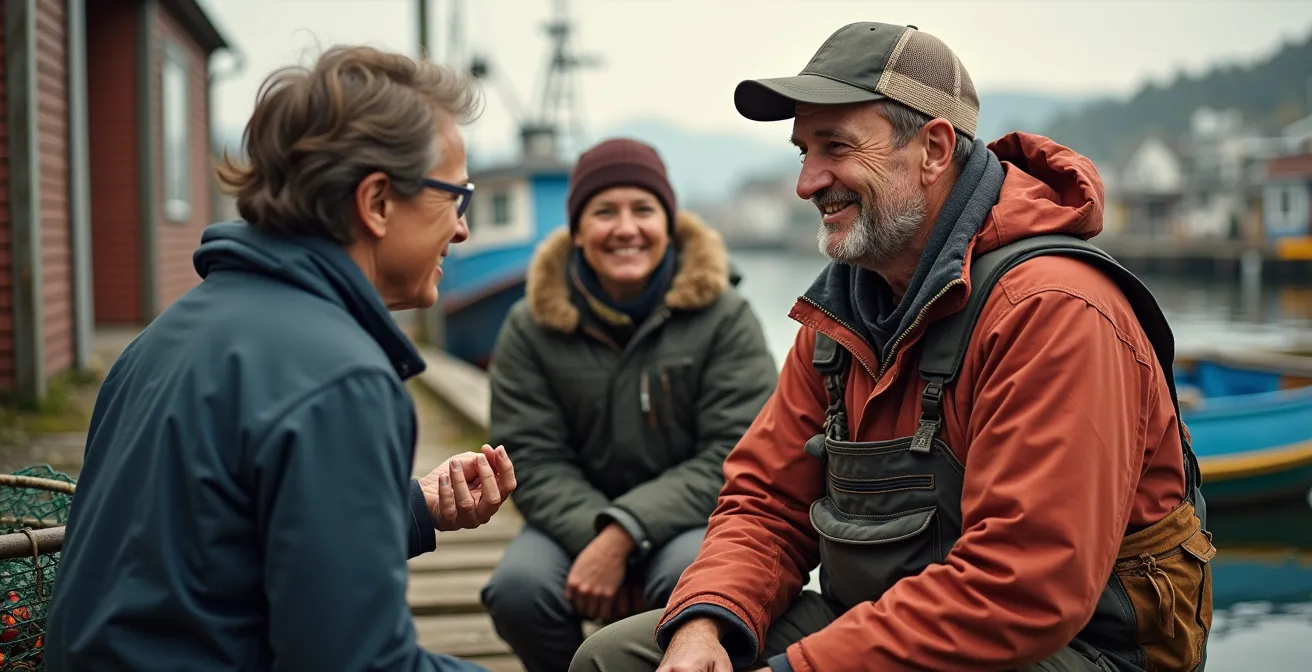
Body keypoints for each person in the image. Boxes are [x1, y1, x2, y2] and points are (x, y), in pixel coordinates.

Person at [571, 22, 1213, 672]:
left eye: (835, 147)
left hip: (1072, 651)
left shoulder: (1053, 310)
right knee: (614, 659)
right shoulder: (843, 309)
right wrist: (706, 620)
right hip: (881, 622)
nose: (807, 182)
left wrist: (803, 668)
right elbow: (766, 501)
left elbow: (1023, 585)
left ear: (933, 149)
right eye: (802, 152)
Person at [45, 45, 516, 672]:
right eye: (455, 195)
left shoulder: (166, 338)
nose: (461, 228)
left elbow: (211, 555)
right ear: (376, 202)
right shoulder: (340, 377)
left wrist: (409, 506)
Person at [478, 137, 779, 672]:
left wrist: (624, 536)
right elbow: (531, 455)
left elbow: (734, 453)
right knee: (518, 589)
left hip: (688, 522)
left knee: (688, 581)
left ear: (668, 222)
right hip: (572, 522)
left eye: (643, 209)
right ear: (577, 229)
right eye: (604, 212)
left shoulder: (725, 317)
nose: (625, 228)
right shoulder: (530, 325)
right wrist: (598, 536)